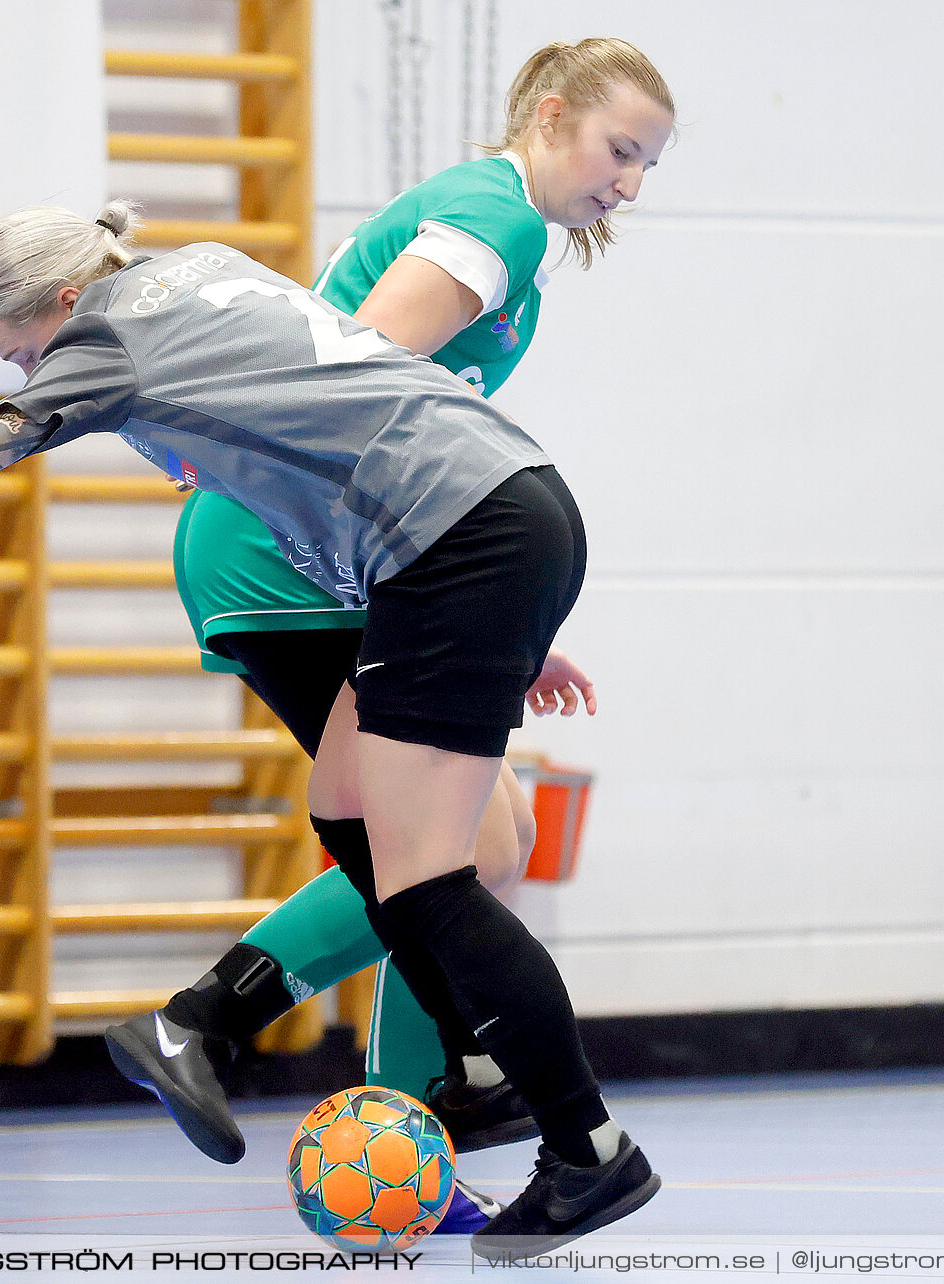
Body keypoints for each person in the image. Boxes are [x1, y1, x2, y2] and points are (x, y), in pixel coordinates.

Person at [0, 209, 660, 1255]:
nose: (28, 373)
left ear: (64, 303)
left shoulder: (104, 337)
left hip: (461, 539)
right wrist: (498, 622)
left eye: (22, 354)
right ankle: (468, 1073)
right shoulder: (200, 268)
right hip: (481, 521)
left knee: (427, 878)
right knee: (346, 813)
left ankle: (588, 1149)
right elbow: (341, 421)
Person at [116, 32, 676, 1190]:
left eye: (646, 168)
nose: (626, 185)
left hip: (340, 546)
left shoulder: (503, 231)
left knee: (488, 840)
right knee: (440, 847)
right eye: (620, 150)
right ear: (552, 114)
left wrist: (487, 614)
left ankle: (427, 1085)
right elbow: (355, 375)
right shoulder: (500, 217)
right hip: (282, 554)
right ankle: (229, 1029)